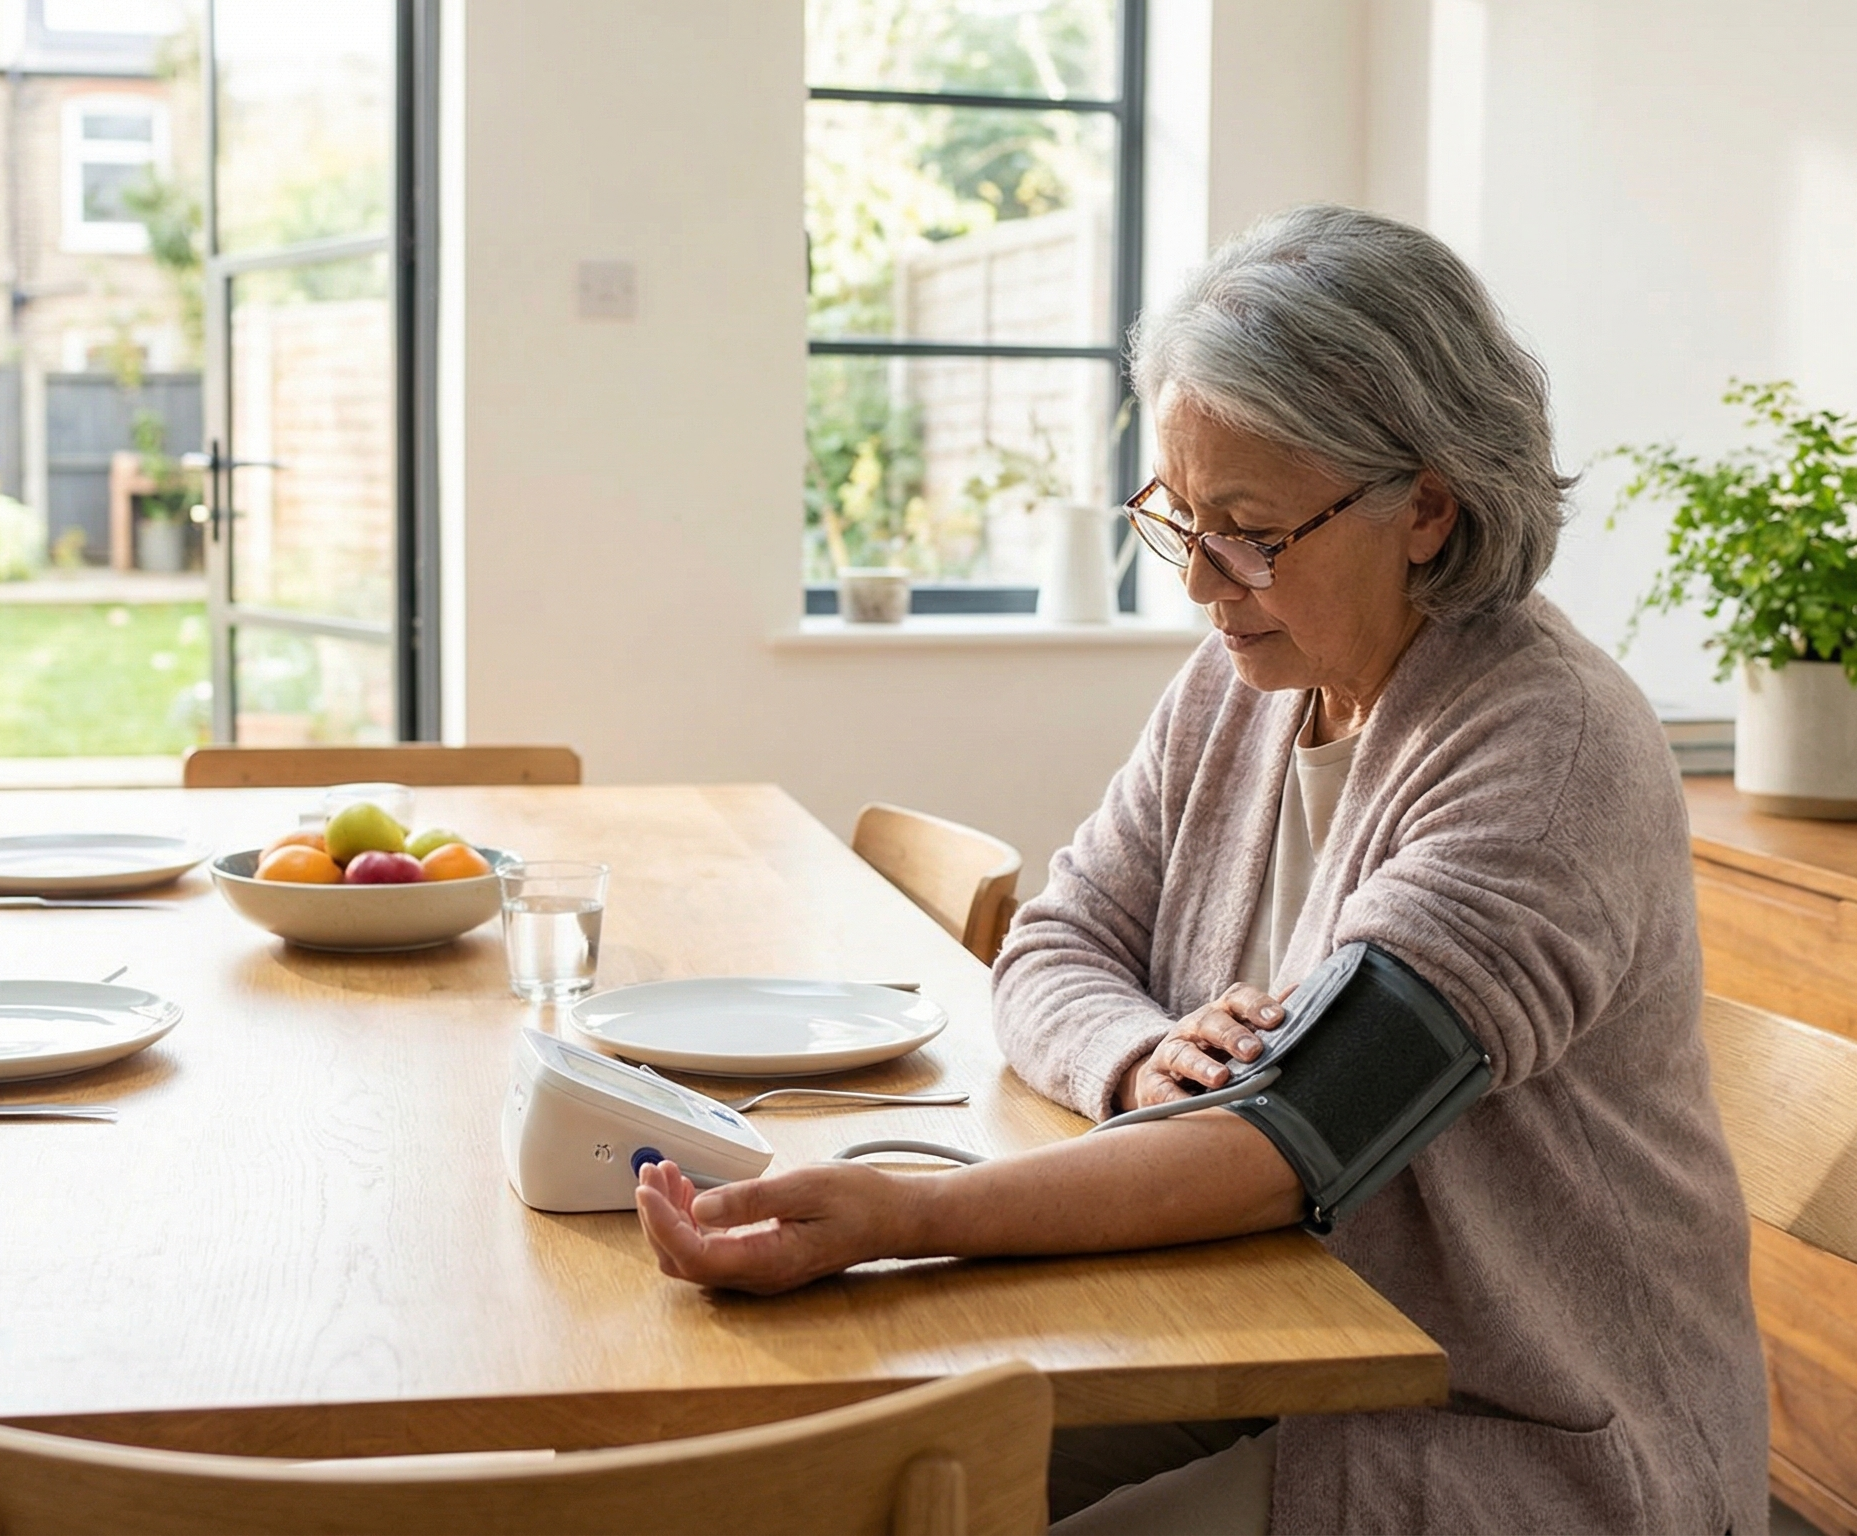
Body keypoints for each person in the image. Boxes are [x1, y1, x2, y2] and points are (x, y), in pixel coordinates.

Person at [634, 205, 1768, 1534]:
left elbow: (1291, 1135)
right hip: (1257, 1333)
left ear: (1428, 509)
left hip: (1510, 1429)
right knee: (832, 1477)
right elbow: (1057, 942)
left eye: (1248, 530)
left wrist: (904, 1213)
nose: (1201, 584)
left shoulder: (1546, 749)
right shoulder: (1244, 681)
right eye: (1180, 521)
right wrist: (1133, 1056)